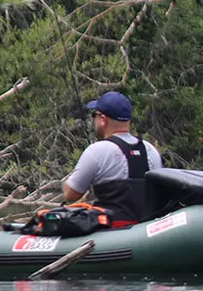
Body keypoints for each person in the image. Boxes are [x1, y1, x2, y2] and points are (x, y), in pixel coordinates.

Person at [63, 91, 162, 226]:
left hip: (111, 230)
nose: (93, 120)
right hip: (147, 229)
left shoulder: (96, 151)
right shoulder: (150, 150)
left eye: (94, 115)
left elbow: (70, 195)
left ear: (103, 119)